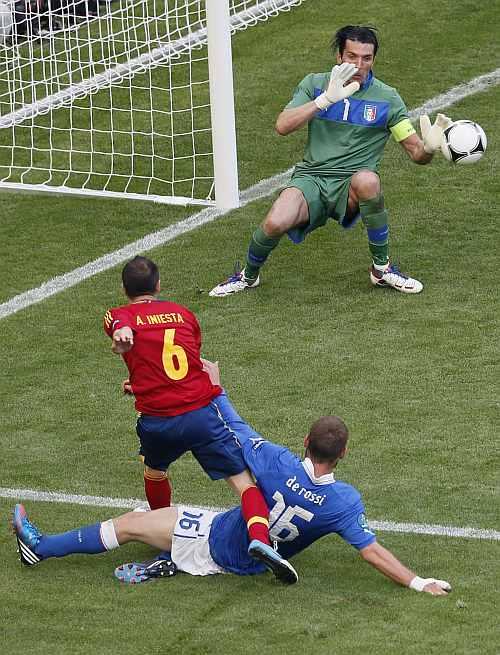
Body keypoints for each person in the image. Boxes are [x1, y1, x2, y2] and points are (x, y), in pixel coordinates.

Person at [13, 385, 451, 596]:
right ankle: (173, 561)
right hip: (250, 557)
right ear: (344, 454)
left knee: (130, 524)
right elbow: (370, 550)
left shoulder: (276, 462)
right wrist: (418, 582)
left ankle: (43, 547)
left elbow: (236, 427)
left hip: (219, 540)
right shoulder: (344, 502)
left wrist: (215, 387)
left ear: (305, 442)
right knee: (161, 528)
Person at [209, 25, 452, 298]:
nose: (359, 65)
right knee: (275, 223)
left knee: (368, 180)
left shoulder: (387, 99)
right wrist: (323, 100)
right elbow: (282, 125)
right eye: (352, 56)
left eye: (367, 58)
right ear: (339, 56)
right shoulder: (315, 84)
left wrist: (429, 148)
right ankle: (248, 276)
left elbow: (416, 154)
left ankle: (381, 270)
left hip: (351, 184)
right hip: (311, 178)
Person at [102, 255, 297, 583]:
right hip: (200, 415)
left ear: (124, 289)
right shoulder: (184, 315)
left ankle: (157, 524)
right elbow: (186, 366)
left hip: (157, 421)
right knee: (243, 482)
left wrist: (125, 343)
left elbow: (118, 324)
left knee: (155, 470)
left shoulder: (121, 315)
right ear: (159, 285)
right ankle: (261, 541)